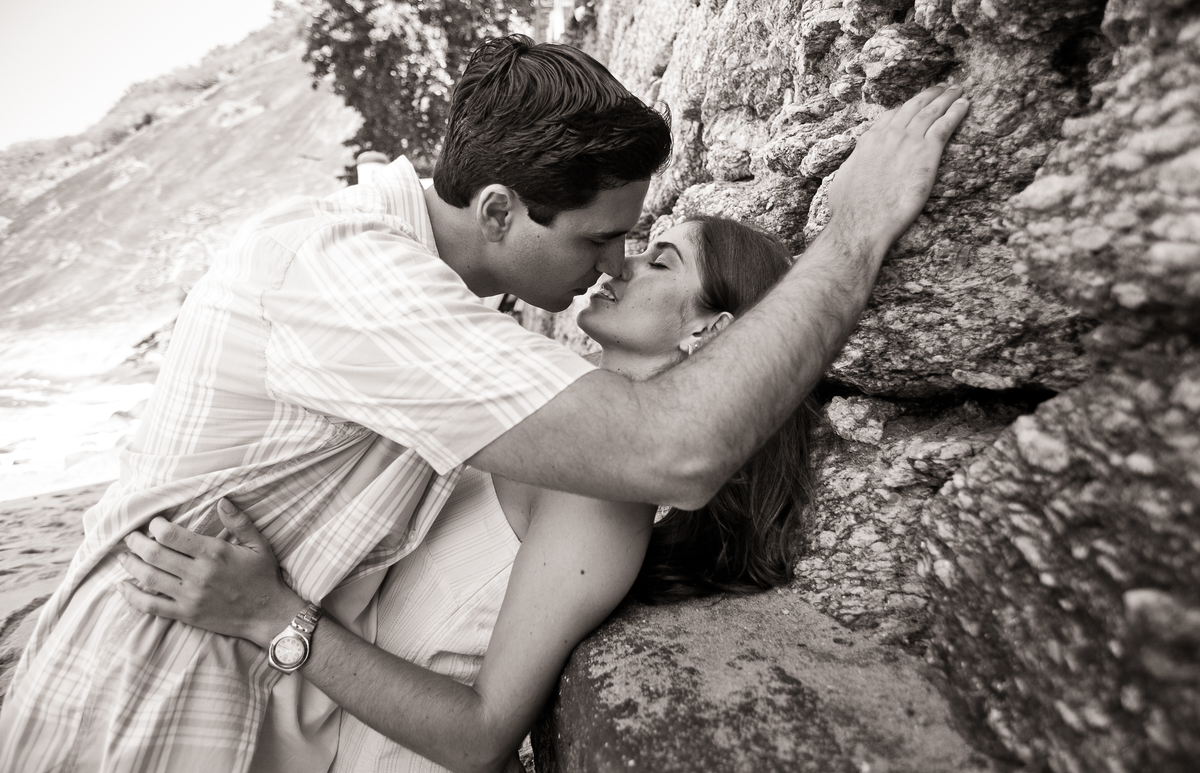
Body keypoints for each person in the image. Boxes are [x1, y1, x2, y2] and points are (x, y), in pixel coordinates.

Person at [0, 30, 968, 772]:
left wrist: (275, 616)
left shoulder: (463, 335)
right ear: (499, 210)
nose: (613, 263)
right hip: (140, 712)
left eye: (641, 248)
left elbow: (478, 712)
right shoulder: (359, 282)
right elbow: (674, 444)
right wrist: (851, 234)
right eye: (599, 240)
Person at [116, 214, 818, 773]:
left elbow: (481, 736)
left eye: (660, 261)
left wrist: (272, 617)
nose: (620, 264)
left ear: (709, 332)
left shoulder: (602, 499)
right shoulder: (543, 422)